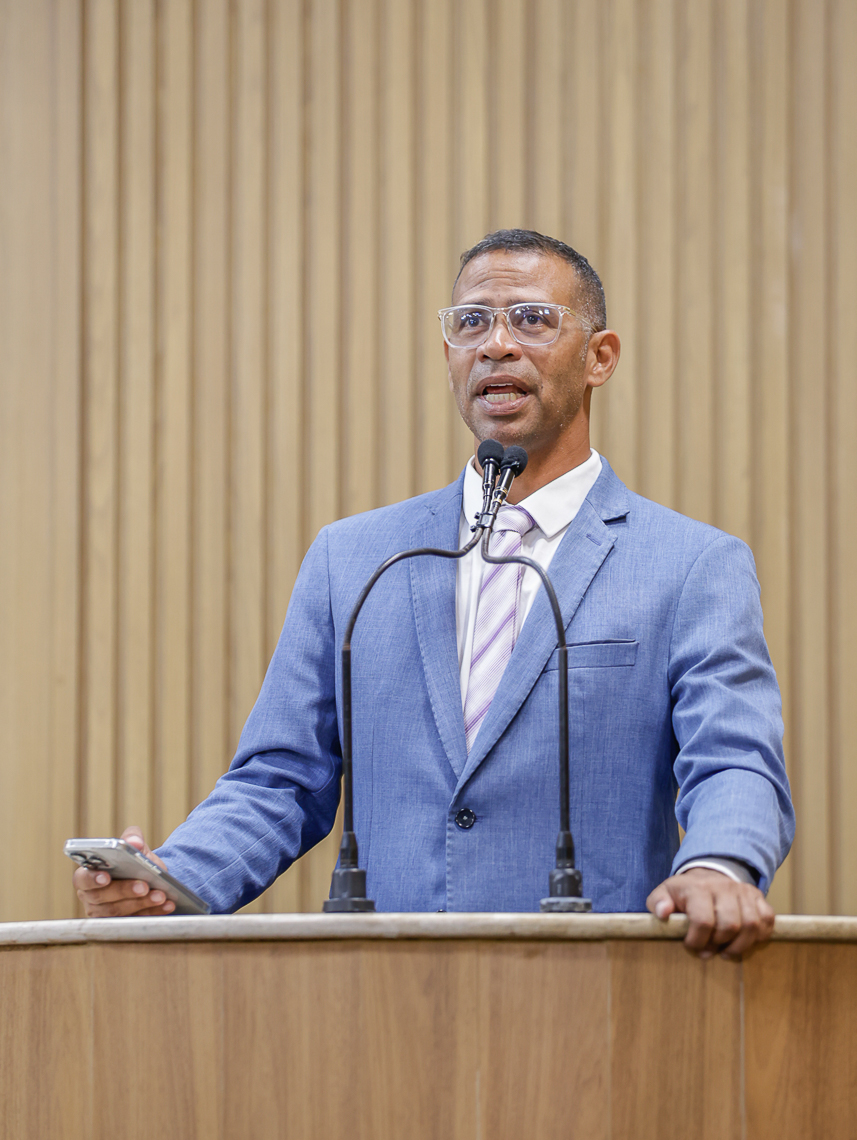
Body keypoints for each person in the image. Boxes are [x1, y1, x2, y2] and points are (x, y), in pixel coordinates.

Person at [74, 229, 793, 957]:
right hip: (382, 993)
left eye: (532, 319)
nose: (496, 346)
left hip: (593, 990)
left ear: (598, 357)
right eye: (471, 322)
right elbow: (280, 780)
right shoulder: (353, 559)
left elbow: (734, 759)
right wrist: (170, 881)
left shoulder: (691, 565)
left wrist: (718, 864)